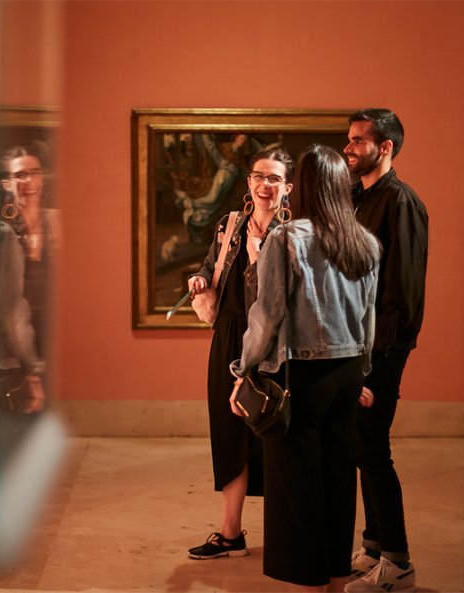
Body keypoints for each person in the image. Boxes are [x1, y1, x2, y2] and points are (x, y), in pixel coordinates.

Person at [229, 144, 380, 591]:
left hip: (302, 375)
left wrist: (244, 369)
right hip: (348, 370)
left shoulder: (287, 238)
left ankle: (309, 583)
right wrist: (362, 373)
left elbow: (266, 314)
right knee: (337, 477)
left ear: (305, 187)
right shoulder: (364, 240)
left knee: (296, 486)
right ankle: (335, 576)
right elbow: (368, 316)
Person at [186, 147, 295, 559]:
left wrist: (257, 254)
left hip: (275, 344)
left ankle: (285, 535)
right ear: (248, 182)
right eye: (258, 177)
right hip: (229, 334)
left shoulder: (295, 233)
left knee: (275, 433)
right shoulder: (229, 224)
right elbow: (208, 264)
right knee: (228, 433)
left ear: (288, 187)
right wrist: (199, 280)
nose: (265, 185)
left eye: (274, 179)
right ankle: (231, 533)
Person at [342, 108, 428, 593]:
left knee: (373, 449)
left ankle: (398, 562)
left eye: (358, 140)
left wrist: (375, 369)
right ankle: (374, 547)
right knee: (360, 445)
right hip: (358, 345)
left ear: (386, 147)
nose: (349, 147)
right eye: (349, 139)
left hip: (383, 351)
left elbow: (403, 294)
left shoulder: (402, 202)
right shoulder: (359, 197)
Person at [0, 143, 60, 414]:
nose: (29, 181)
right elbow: (10, 309)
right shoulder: (4, 233)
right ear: (8, 183)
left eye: (34, 172)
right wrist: (31, 371)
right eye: (20, 175)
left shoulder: (55, 223)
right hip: (17, 359)